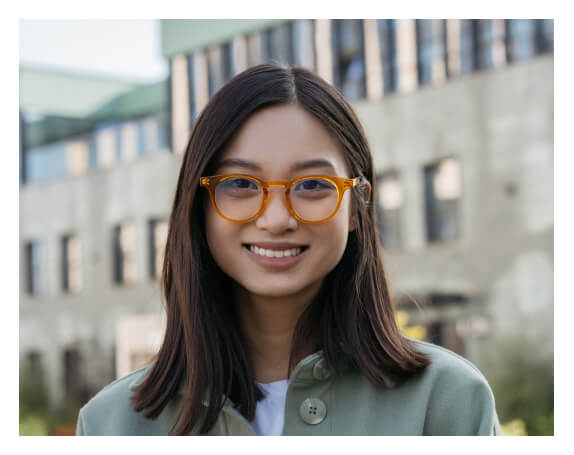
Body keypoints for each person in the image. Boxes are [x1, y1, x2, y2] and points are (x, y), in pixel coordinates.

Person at [76, 63, 501, 436]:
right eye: (240, 184)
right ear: (199, 207)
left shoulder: (447, 402)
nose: (277, 219)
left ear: (357, 206)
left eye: (313, 185)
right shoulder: (111, 424)